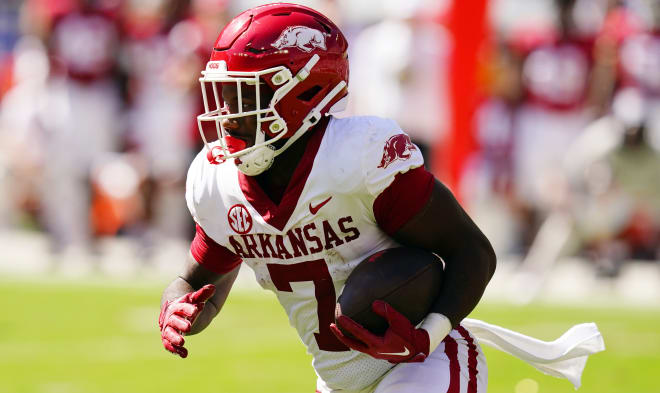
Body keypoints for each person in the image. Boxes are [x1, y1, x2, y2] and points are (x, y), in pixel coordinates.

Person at [158, 4, 604, 393]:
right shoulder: (215, 180)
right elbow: (199, 284)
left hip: (423, 363)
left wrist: (428, 335)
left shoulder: (359, 159)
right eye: (226, 93)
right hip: (338, 380)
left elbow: (472, 251)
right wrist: (177, 309)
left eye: (246, 93)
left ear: (304, 90)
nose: (229, 112)